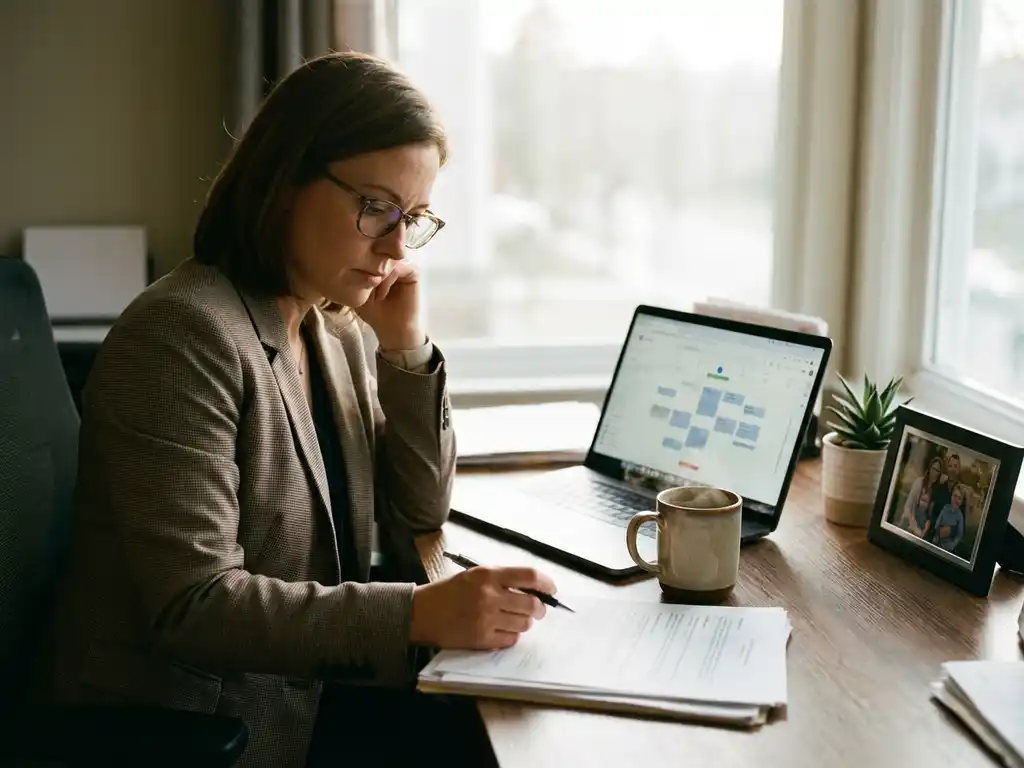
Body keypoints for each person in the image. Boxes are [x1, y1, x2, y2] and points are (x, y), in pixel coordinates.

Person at [46, 51, 558, 768]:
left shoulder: (332, 326)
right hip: (210, 730)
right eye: (375, 207)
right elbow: (194, 605)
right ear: (285, 180)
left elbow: (419, 508)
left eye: (413, 219)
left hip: (312, 688)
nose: (395, 247)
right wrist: (417, 615)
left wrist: (406, 351)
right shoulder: (182, 335)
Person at [898, 456, 942, 538]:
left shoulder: (936, 491)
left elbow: (930, 517)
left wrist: (921, 531)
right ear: (929, 469)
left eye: (937, 471)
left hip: (922, 525)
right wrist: (912, 522)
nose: (934, 472)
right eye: (933, 469)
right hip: (910, 518)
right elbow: (907, 507)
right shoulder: (919, 482)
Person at [932, 484, 967, 554]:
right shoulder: (945, 508)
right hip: (938, 540)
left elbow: (959, 535)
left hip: (949, 545)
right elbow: (937, 524)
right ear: (951, 496)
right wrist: (936, 536)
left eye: (959, 498)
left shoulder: (960, 516)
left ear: (962, 502)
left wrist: (952, 545)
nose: (956, 500)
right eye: (955, 496)